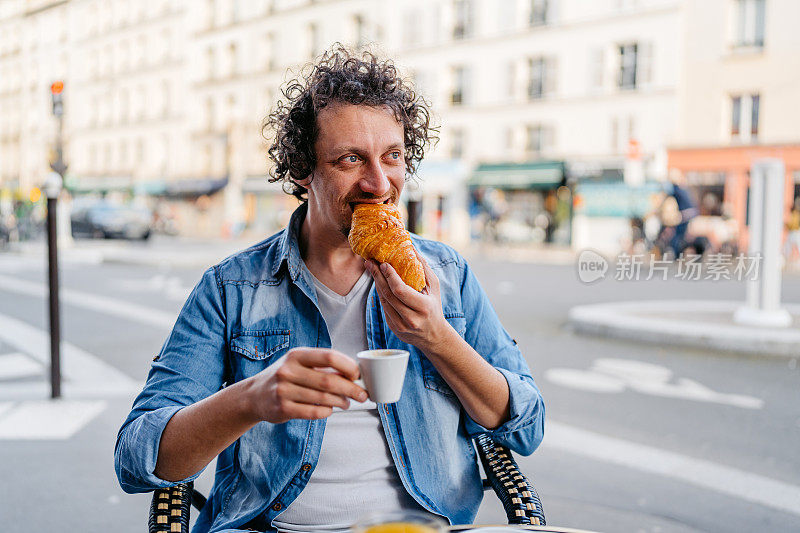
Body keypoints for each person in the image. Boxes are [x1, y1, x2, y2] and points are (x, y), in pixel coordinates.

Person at [115, 47, 545, 533]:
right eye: (350, 159)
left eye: (393, 156)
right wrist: (251, 399)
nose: (379, 183)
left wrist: (437, 338)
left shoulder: (446, 273)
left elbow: (527, 427)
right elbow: (136, 457)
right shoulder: (231, 288)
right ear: (303, 168)